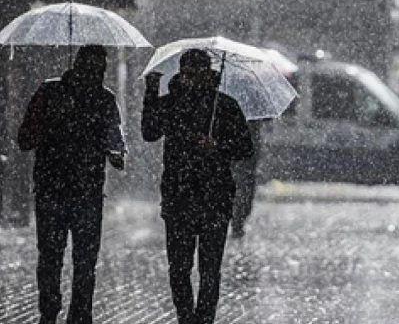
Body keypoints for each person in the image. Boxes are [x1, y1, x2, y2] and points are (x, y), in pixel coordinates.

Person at [142, 49, 254, 324]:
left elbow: (245, 148)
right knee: (179, 269)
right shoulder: (171, 104)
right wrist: (151, 93)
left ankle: (204, 319)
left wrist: (217, 147)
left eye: (198, 73)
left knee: (209, 269)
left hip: (215, 197)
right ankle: (185, 317)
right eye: (188, 74)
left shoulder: (225, 106)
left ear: (209, 73)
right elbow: (149, 132)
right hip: (178, 196)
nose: (193, 80)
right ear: (181, 73)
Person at [17, 45, 126, 324]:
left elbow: (116, 139)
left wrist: (116, 154)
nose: (94, 75)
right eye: (89, 68)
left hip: (88, 191)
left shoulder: (104, 99)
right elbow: (25, 139)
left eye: (99, 70)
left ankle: (80, 314)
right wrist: (55, 117)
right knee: (51, 257)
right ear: (76, 65)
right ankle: (50, 310)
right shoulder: (50, 92)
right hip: (51, 189)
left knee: (85, 261)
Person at [231, 120, 262, 238]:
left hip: (246, 162)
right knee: (243, 192)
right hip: (241, 161)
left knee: (244, 192)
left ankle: (237, 220)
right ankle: (237, 221)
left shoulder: (254, 122)